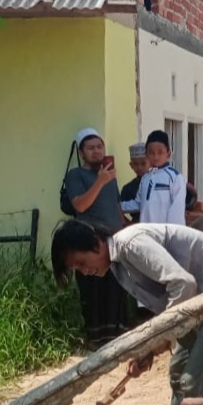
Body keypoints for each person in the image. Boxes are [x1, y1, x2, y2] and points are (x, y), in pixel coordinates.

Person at [52, 220, 203, 405]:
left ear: (95, 242)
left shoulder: (130, 245)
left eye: (82, 263)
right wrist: (148, 350)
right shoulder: (118, 266)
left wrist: (160, 338)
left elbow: (183, 284)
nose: (85, 271)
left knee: (193, 383)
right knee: (178, 376)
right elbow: (167, 303)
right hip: (197, 304)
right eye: (78, 269)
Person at [63, 127, 133, 347]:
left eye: (99, 147)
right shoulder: (76, 175)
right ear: (82, 153)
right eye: (90, 148)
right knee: (93, 292)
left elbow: (116, 205)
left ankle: (116, 338)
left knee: (115, 289)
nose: (96, 151)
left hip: (113, 240)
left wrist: (126, 225)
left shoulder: (109, 175)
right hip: (90, 240)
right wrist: (100, 181)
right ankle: (95, 340)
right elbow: (80, 205)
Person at [122, 130, 186, 225]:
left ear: (168, 154)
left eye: (160, 152)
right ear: (146, 154)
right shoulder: (145, 178)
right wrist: (118, 206)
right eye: (151, 153)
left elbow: (177, 209)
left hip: (166, 232)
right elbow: (139, 203)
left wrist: (172, 234)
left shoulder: (175, 177)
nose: (156, 157)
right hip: (147, 232)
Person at [120, 142, 150, 224]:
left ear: (150, 163)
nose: (139, 167)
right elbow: (118, 210)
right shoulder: (128, 188)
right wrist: (128, 225)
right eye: (136, 164)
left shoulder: (159, 182)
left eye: (143, 163)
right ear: (131, 165)